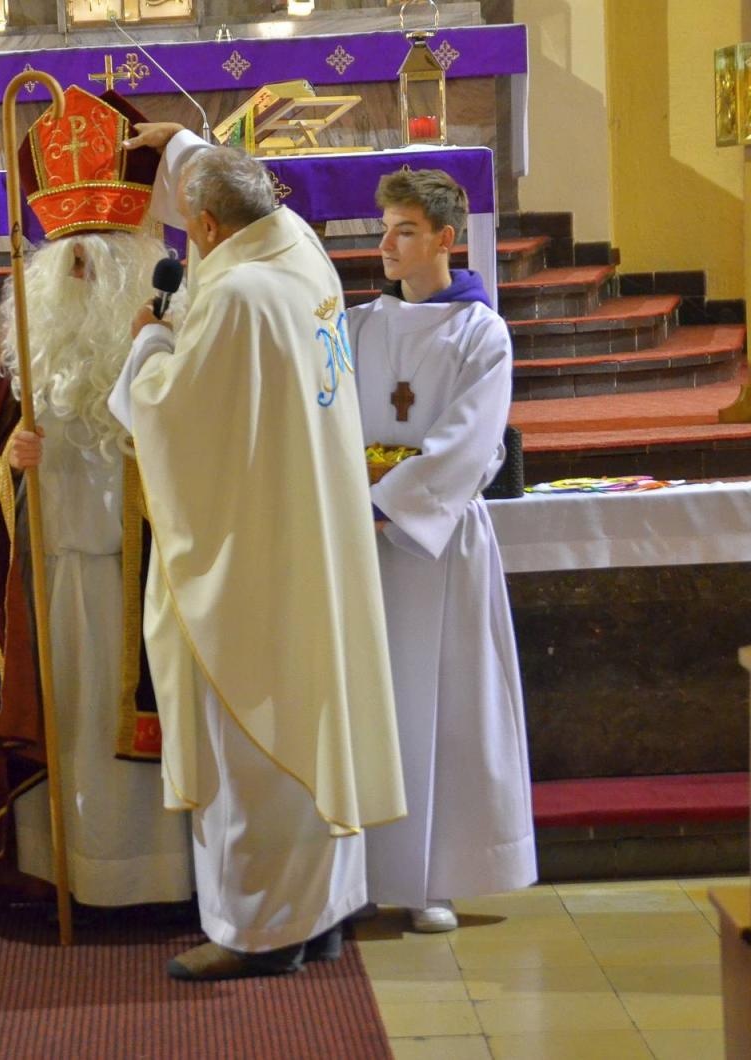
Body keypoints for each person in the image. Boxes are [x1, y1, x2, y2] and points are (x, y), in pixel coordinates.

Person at [111, 126, 406, 980]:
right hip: (314, 536)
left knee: (251, 737)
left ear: (203, 229)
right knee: (316, 722)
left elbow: (167, 413)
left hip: (253, 561)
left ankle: (257, 931)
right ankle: (323, 911)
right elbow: (231, 189)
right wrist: (184, 143)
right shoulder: (303, 256)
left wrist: (145, 342)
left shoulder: (236, 298)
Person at [0, 87, 194, 911]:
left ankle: (159, 878)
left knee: (146, 730)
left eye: (100, 246)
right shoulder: (28, 351)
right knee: (71, 728)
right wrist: (11, 468)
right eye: (72, 252)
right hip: (55, 575)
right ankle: (71, 876)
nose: (85, 264)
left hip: (149, 576)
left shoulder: (175, 334)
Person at [350, 168, 537, 932]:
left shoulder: (480, 331)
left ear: (445, 240)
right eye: (384, 228)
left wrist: (392, 500)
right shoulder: (357, 325)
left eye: (405, 231)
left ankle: (435, 877)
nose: (386, 245)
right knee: (373, 703)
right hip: (359, 539)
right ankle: (356, 874)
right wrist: (350, 495)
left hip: (439, 541)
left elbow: (472, 438)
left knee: (446, 707)